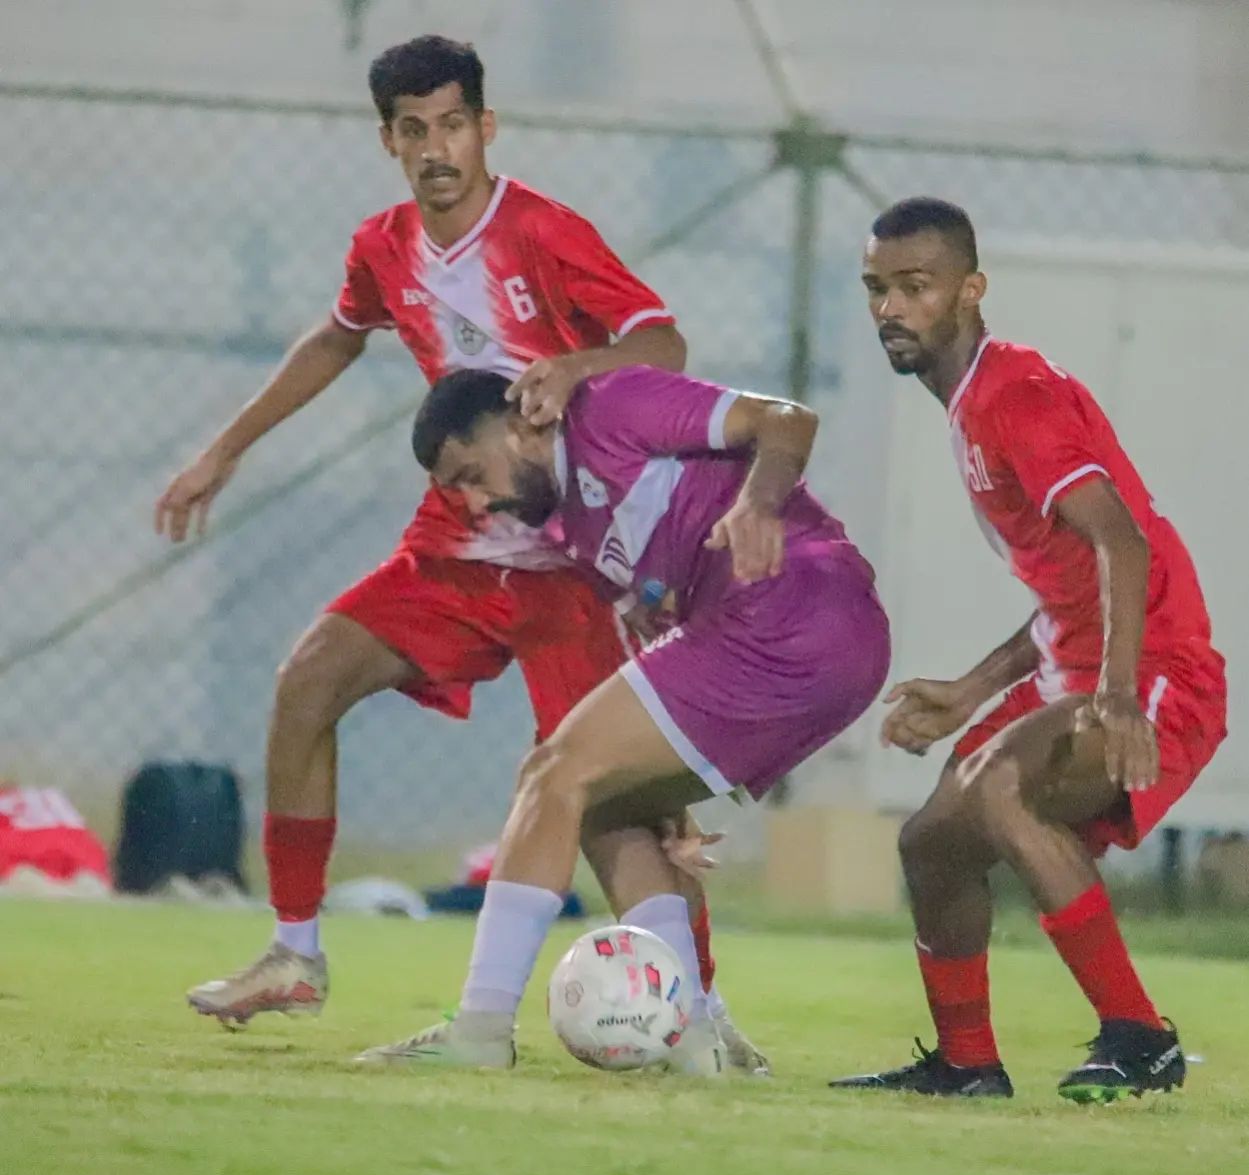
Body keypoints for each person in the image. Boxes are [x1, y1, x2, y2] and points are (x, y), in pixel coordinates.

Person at [155, 35, 761, 1068]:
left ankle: (698, 1014)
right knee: (307, 680)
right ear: (387, 140)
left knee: (613, 802)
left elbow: (662, 343)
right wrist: (224, 448)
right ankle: (296, 951)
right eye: (412, 130)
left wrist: (576, 368)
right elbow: (337, 335)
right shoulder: (383, 248)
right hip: (457, 548)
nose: (435, 149)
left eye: (450, 126)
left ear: (485, 127)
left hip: (576, 560)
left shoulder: (542, 230)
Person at [353, 365, 889, 1070]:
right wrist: (665, 800)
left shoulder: (609, 407)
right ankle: (692, 1042)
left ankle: (480, 1030)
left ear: (519, 425)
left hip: (792, 609)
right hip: (820, 654)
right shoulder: (575, 529)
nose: (479, 503)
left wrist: (758, 506)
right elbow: (656, 674)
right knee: (598, 803)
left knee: (553, 772)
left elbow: (788, 420)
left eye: (473, 475)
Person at [829, 198, 1226, 1102]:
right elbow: (1068, 590)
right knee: (931, 842)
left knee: (1001, 786)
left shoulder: (1015, 394)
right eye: (877, 289)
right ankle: (967, 1065)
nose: (890, 308)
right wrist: (971, 690)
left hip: (1155, 672)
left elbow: (1119, 542)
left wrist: (1116, 695)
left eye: (915, 286)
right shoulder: (971, 405)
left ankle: (1138, 1035)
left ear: (970, 290)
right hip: (1074, 672)